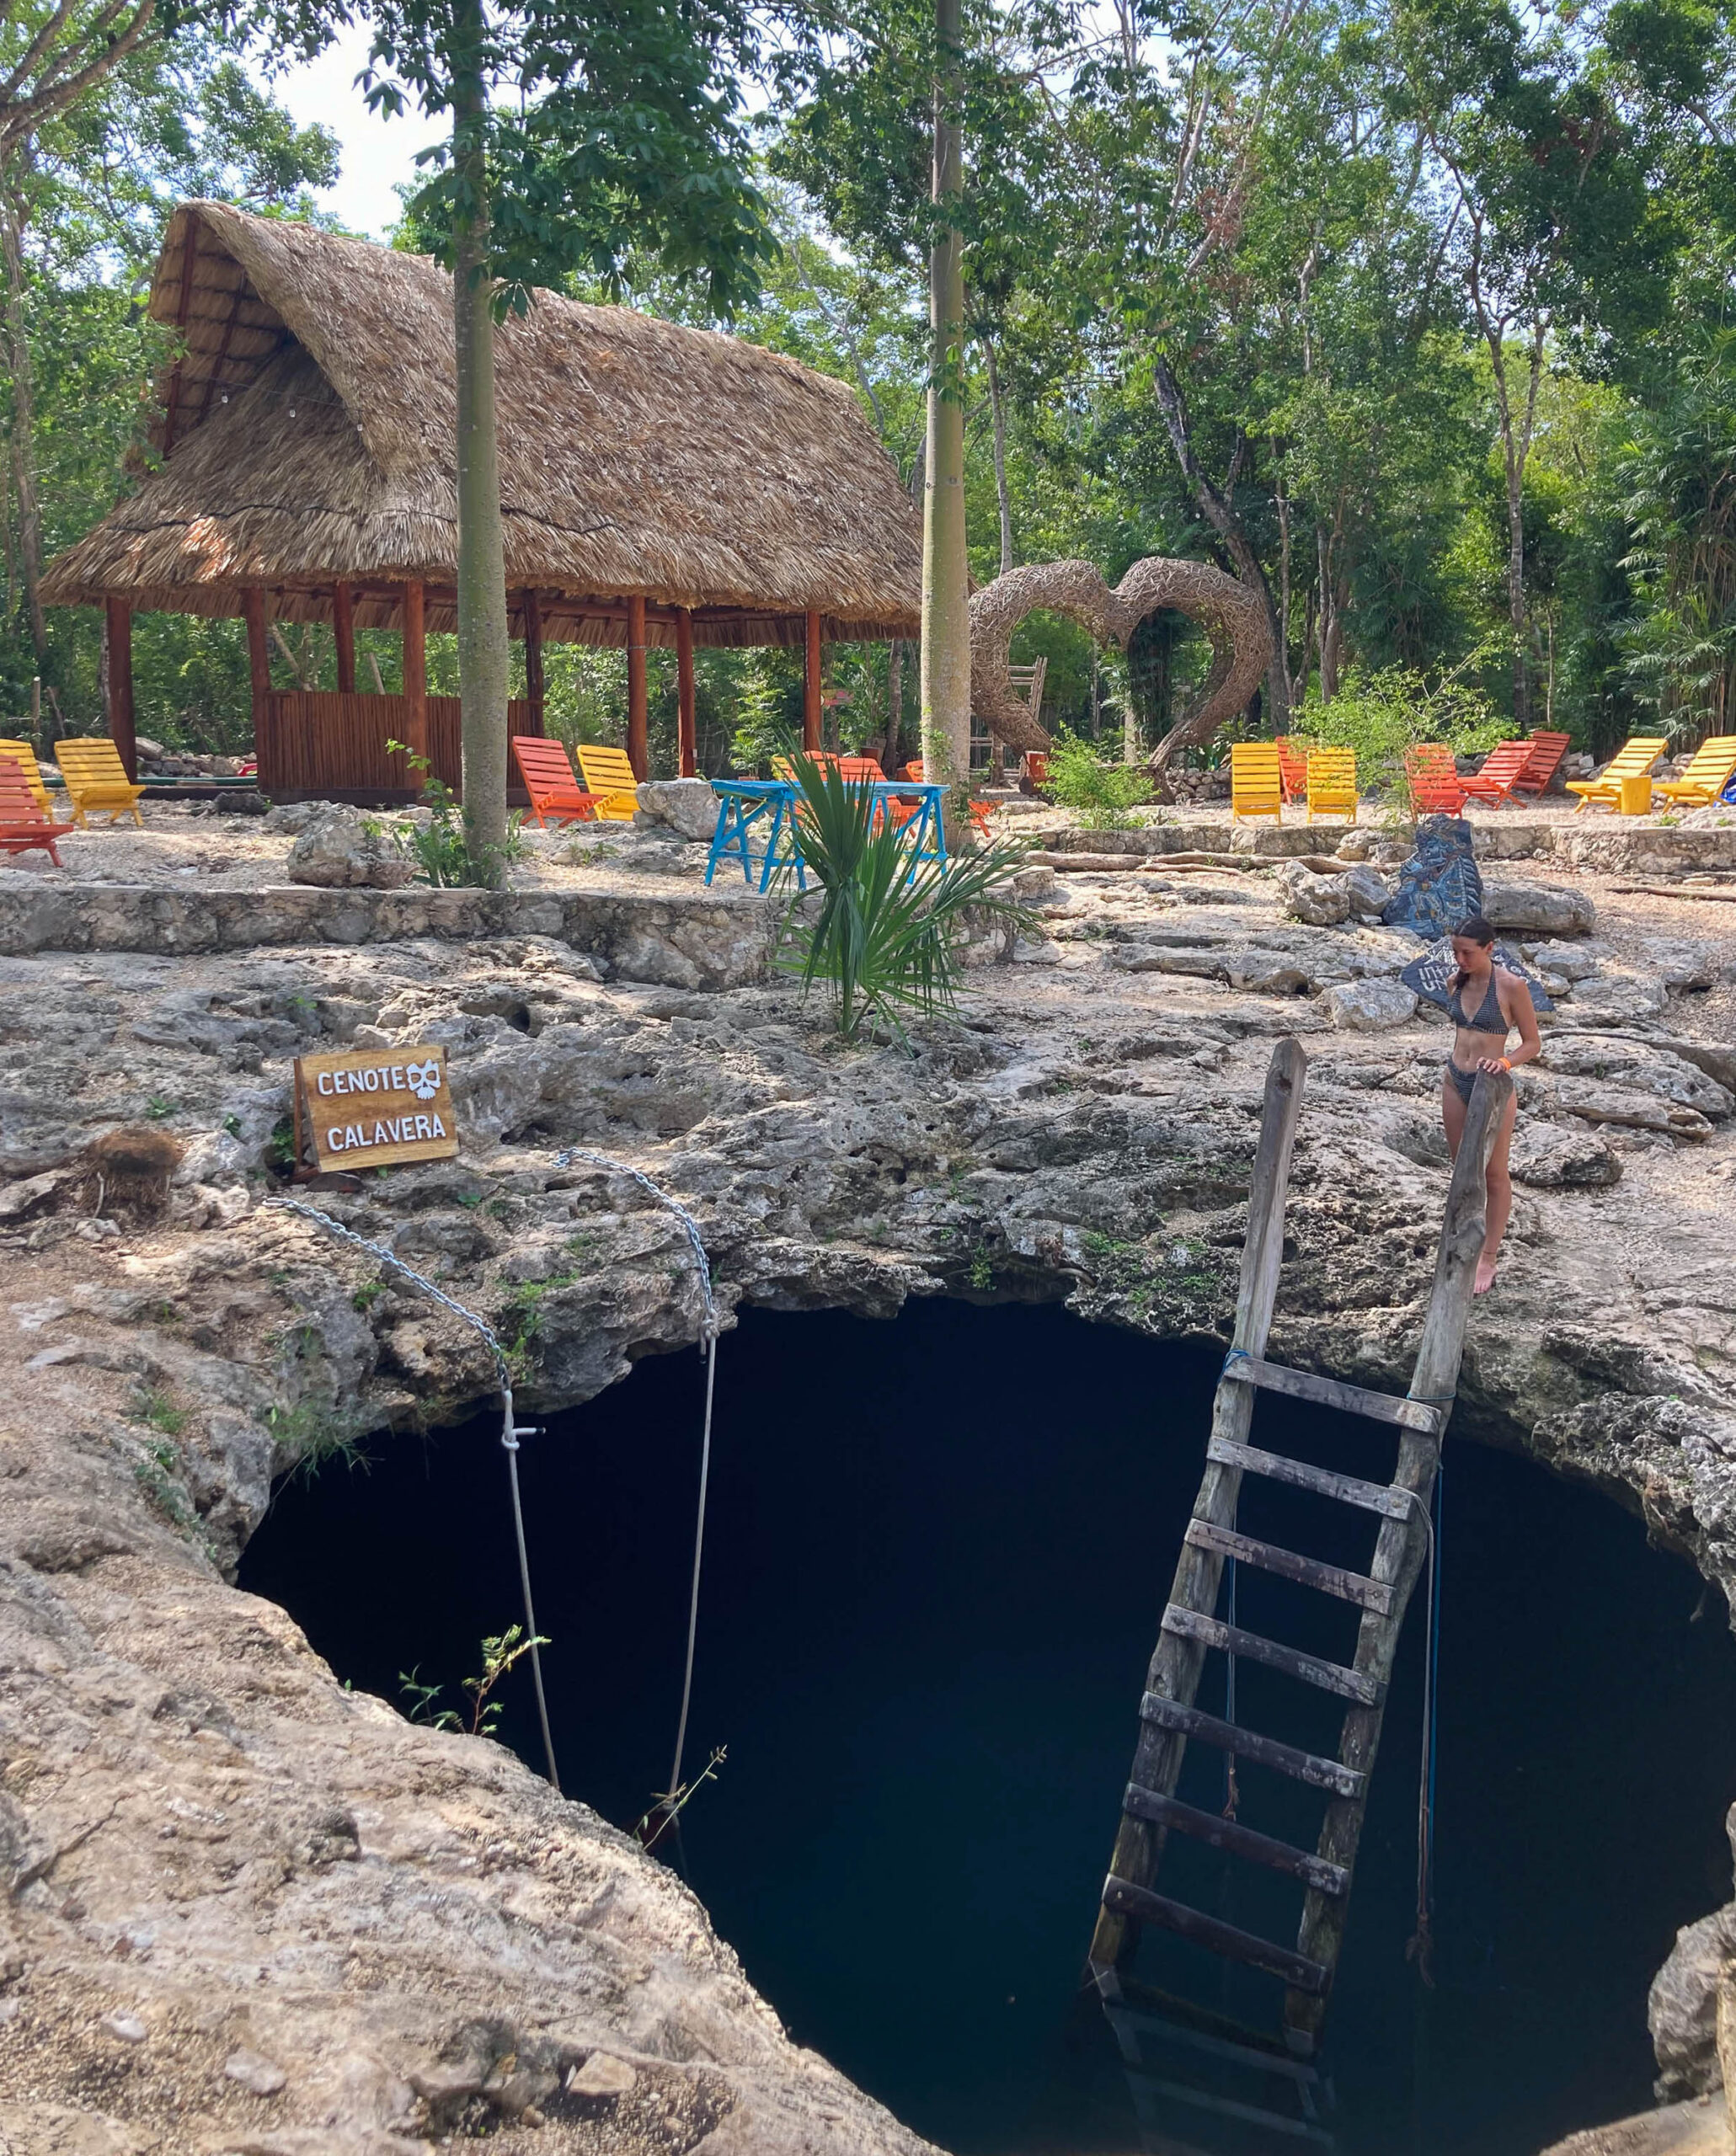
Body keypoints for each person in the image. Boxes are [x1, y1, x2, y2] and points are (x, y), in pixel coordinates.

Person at [1442, 915, 1540, 1294]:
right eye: (1455, 952)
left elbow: (1532, 1043)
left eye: (1467, 953)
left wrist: (1505, 1062)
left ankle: (1488, 1255)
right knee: (1462, 1170)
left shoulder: (1513, 987)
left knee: (1494, 1174)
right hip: (1455, 1081)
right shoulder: (1455, 982)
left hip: (1493, 1088)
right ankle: (1460, 1236)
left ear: (1489, 949)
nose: (1460, 960)